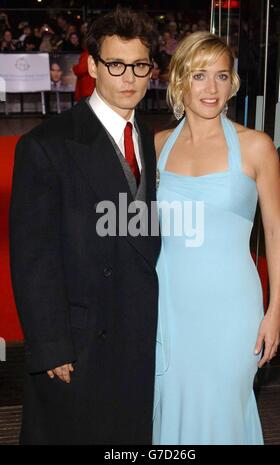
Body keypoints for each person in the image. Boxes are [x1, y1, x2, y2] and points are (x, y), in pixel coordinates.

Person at [9, 6, 160, 445]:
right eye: (115, 65)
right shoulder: (47, 145)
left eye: (139, 65)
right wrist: (51, 342)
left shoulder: (149, 140)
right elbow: (33, 256)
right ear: (93, 65)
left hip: (136, 332)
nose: (128, 78)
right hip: (79, 340)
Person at [153, 31, 280, 445]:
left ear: (233, 83)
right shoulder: (157, 145)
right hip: (169, 307)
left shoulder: (256, 147)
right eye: (199, 75)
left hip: (233, 310)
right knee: (172, 404)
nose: (211, 88)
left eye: (222, 76)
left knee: (225, 408)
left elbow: (277, 229)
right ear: (179, 81)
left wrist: (276, 309)